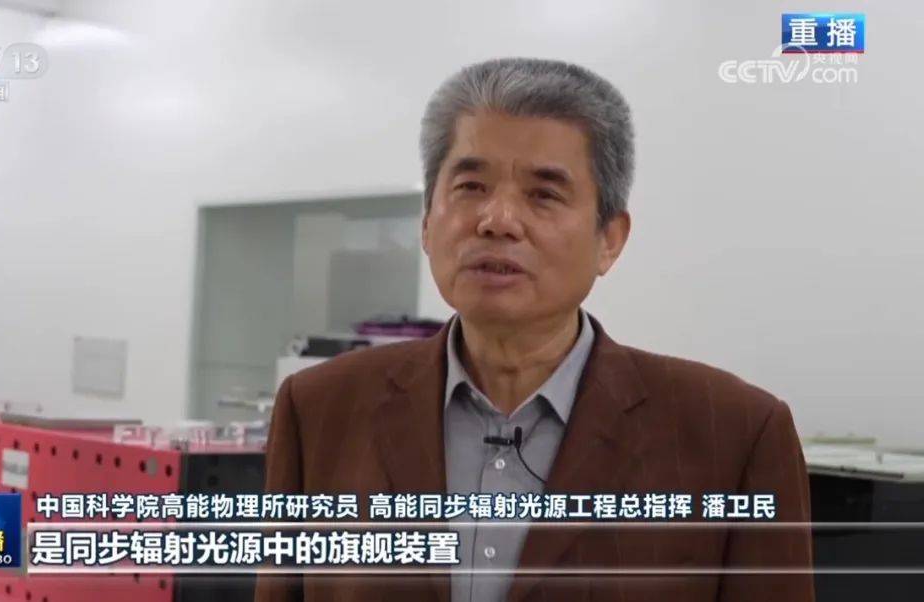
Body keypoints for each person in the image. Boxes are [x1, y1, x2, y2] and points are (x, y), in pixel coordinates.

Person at [255, 57, 813, 602]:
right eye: (471, 186)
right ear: (426, 222)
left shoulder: (734, 433)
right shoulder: (320, 408)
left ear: (609, 239)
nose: (497, 221)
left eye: (544, 194)